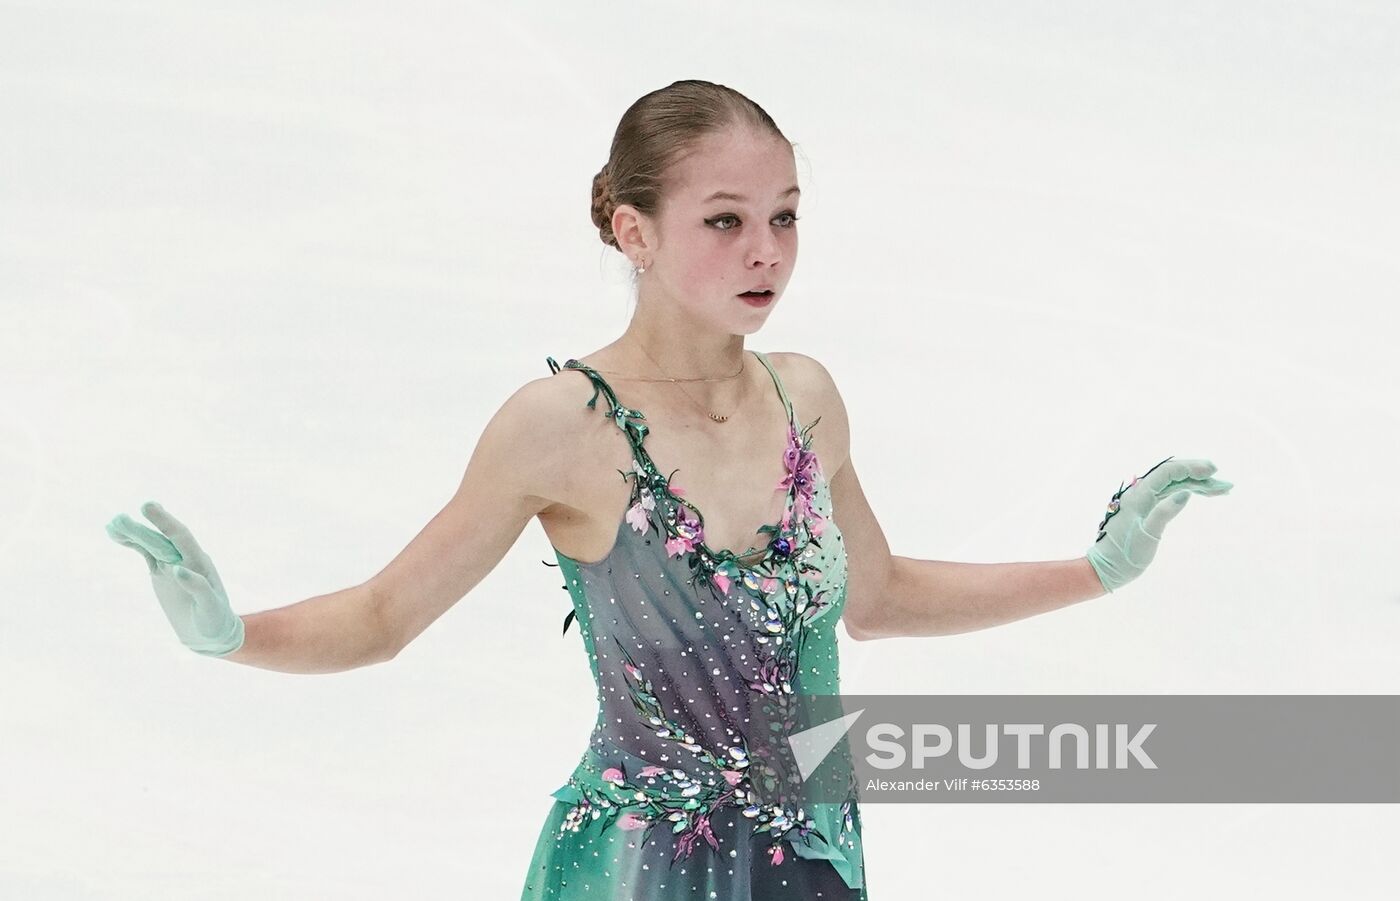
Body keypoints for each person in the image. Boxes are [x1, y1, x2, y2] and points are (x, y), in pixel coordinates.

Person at [105, 79, 1234, 899]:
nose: (767, 251)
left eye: (784, 215)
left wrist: (1096, 569)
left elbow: (878, 597)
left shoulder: (807, 399)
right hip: (642, 873)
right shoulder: (563, 427)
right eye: (726, 221)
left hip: (814, 859)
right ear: (630, 231)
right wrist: (227, 633)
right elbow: (385, 615)